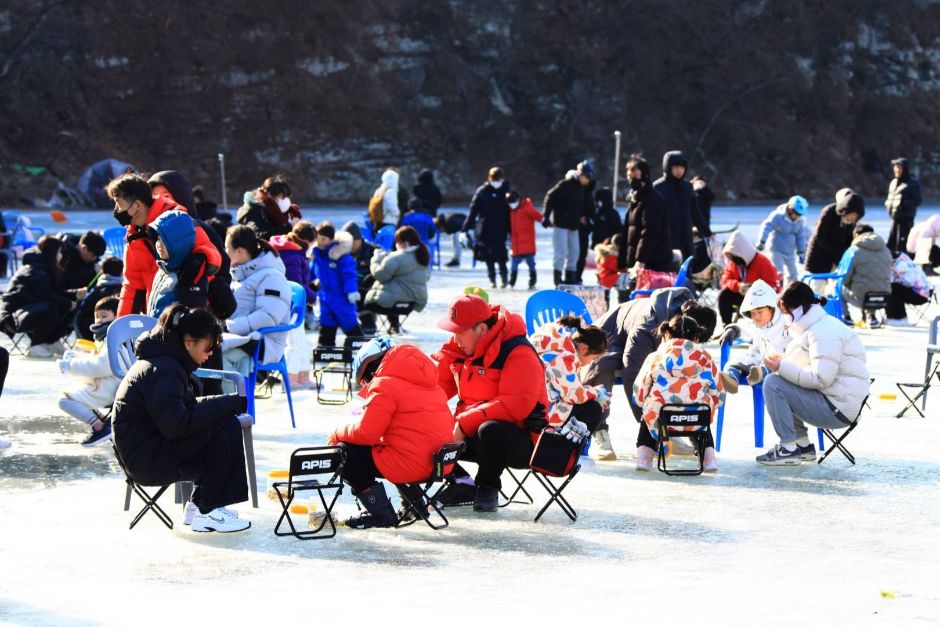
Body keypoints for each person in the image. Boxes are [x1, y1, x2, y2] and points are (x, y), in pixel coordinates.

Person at [112, 304, 251, 532]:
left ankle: (200, 505)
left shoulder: (166, 362)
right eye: (209, 347)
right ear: (189, 343)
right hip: (147, 461)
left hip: (150, 449)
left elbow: (181, 410)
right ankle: (207, 510)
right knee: (225, 428)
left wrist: (228, 403)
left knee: (223, 421)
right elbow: (177, 425)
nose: (210, 354)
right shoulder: (164, 370)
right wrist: (227, 404)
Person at [431, 294, 548, 512]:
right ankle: (462, 482)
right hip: (471, 433)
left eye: (460, 332)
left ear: (482, 329)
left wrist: (465, 423)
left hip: (523, 442)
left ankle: (487, 487)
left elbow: (515, 406)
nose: (455, 339)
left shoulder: (518, 352)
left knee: (491, 430)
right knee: (425, 426)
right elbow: (433, 391)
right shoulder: (458, 350)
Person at [328, 338, 455, 528]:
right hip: (440, 463)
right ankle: (416, 506)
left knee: (343, 453)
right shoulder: (429, 383)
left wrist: (338, 432)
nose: (366, 386)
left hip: (413, 464)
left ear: (371, 369)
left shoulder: (384, 384)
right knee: (394, 447)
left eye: (364, 381)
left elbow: (366, 434)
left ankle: (381, 515)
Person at [581, 288, 717, 462]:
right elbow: (634, 376)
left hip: (635, 341)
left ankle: (669, 430)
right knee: (601, 367)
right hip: (608, 339)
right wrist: (651, 425)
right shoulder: (647, 328)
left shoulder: (686, 320)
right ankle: (599, 430)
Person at [757, 282, 869, 465]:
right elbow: (815, 364)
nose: (785, 319)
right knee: (783, 380)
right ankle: (802, 445)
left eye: (786, 313)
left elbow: (820, 378)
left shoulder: (822, 332)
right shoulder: (818, 327)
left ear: (798, 309)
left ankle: (788, 449)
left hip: (837, 408)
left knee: (773, 383)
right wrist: (784, 360)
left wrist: (780, 367)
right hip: (837, 401)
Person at [107, 173, 223, 318]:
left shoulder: (176, 219)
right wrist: (122, 326)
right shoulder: (134, 236)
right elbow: (132, 286)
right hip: (158, 314)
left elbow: (213, 256)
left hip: (192, 311)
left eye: (118, 203)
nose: (116, 210)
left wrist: (199, 257)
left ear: (136, 205)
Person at [635, 314, 723, 472]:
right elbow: (718, 389)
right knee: (702, 421)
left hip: (662, 419)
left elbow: (640, 390)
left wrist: (642, 402)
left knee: (648, 416)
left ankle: (644, 459)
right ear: (696, 338)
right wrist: (714, 405)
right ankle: (709, 460)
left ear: (666, 334)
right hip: (696, 418)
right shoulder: (705, 357)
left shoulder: (655, 357)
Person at [222, 225, 292, 378]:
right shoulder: (241, 274)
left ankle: (232, 401)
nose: (224, 252)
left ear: (240, 250)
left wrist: (229, 327)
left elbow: (267, 317)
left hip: (265, 343)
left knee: (217, 358)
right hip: (243, 336)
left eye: (227, 247)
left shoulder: (271, 276)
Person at [56, 296, 120, 446]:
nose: (99, 320)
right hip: (109, 385)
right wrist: (76, 357)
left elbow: (102, 366)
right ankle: (103, 421)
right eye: (97, 316)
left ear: (117, 316)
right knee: (73, 392)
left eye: (104, 316)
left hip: (110, 388)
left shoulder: (111, 338)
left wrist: (71, 366)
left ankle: (100, 427)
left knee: (64, 399)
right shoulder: (109, 337)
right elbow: (98, 360)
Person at [530, 316, 609, 432]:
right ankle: (565, 448)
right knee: (593, 409)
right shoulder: (564, 358)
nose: (589, 364)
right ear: (584, 349)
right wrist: (596, 393)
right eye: (593, 359)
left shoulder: (554, 346)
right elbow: (574, 395)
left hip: (530, 403)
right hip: (542, 412)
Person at [0, 236, 74, 358]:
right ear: (52, 252)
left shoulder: (45, 268)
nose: (61, 256)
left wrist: (74, 294)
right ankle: (36, 345)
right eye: (59, 252)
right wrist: (68, 302)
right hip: (11, 317)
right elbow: (45, 294)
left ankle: (51, 341)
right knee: (52, 307)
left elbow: (54, 292)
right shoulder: (36, 270)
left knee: (67, 304)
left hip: (25, 312)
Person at [718, 279, 789, 394]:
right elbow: (744, 326)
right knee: (735, 362)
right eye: (752, 313)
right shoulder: (755, 322)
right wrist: (733, 329)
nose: (756, 317)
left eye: (760, 312)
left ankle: (760, 374)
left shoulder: (785, 320)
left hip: (778, 359)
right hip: (757, 355)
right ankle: (731, 378)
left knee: (772, 366)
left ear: (772, 308)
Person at [270, 221, 318, 388]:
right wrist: (313, 296)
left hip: (297, 305)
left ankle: (303, 376)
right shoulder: (292, 255)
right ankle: (290, 379)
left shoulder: (295, 252)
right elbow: (295, 284)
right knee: (294, 343)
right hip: (288, 306)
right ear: (308, 240)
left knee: (302, 342)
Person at [617, 155, 673, 290]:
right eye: (629, 173)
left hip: (652, 264)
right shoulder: (635, 198)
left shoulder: (653, 199)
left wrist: (640, 261)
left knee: (647, 305)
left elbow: (650, 232)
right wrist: (624, 262)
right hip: (637, 264)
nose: (630, 177)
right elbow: (629, 231)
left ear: (644, 175)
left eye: (634, 173)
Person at [363, 225, 430, 334]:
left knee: (370, 291)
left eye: (397, 242)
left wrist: (376, 259)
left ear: (404, 243)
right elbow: (427, 277)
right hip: (414, 301)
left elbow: (380, 275)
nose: (395, 245)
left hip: (392, 303)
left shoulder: (396, 257)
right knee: (393, 289)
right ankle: (394, 325)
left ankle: (368, 325)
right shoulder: (422, 256)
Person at [146, 210, 210, 317]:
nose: (158, 244)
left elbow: (191, 319)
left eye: (164, 241)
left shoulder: (189, 275)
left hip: (171, 332)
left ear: (179, 244)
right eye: (157, 238)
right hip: (155, 329)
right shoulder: (163, 269)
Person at [312, 222, 364, 349]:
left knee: (348, 321)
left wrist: (351, 290)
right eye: (318, 239)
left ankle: (358, 345)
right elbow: (312, 271)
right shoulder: (318, 255)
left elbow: (349, 274)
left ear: (331, 240)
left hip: (341, 297)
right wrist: (309, 283)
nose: (320, 242)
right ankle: (325, 349)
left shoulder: (341, 256)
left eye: (323, 239)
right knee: (326, 323)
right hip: (325, 297)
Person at [543, 160, 594, 286]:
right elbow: (550, 196)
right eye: (587, 176)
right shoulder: (565, 185)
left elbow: (578, 205)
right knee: (561, 252)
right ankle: (557, 276)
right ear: (581, 174)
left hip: (573, 225)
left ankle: (570, 275)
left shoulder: (582, 188)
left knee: (575, 252)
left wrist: (581, 216)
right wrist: (546, 215)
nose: (588, 180)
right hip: (561, 224)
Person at [653, 151, 711, 260]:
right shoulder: (658, 188)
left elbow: (695, 214)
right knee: (669, 275)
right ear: (668, 167)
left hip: (686, 241)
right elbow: (652, 218)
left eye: (682, 167)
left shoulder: (688, 187)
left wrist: (707, 232)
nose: (679, 170)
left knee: (686, 273)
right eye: (675, 167)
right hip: (666, 242)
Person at [804, 189, 864, 293]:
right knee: (817, 289)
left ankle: (830, 308)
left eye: (856, 216)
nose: (853, 218)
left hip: (836, 259)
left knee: (834, 290)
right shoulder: (829, 212)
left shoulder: (853, 222)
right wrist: (837, 254)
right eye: (852, 214)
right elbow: (820, 237)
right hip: (819, 256)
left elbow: (849, 241)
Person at [718, 230, 781, 324]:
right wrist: (738, 286)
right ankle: (727, 325)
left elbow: (773, 285)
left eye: (736, 257)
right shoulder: (733, 263)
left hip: (759, 299)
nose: (734, 260)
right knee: (724, 295)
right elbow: (725, 280)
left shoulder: (763, 262)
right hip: (741, 295)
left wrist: (754, 289)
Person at [464, 166, 511, 288]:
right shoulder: (483, 191)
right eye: (494, 179)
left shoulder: (506, 191)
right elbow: (473, 209)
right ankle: (492, 279)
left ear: (502, 179)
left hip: (502, 227)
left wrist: (513, 229)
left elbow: (513, 210)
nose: (496, 181)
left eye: (498, 179)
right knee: (488, 255)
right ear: (489, 178)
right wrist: (466, 227)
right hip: (486, 228)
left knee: (501, 254)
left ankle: (504, 278)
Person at [842, 224, 892, 327]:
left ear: (856, 235)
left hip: (861, 298)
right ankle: (871, 317)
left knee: (838, 287)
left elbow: (845, 278)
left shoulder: (854, 251)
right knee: (873, 283)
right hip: (883, 297)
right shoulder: (886, 250)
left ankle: (847, 318)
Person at [755, 195, 808, 283]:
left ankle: (790, 292)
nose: (798, 217)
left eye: (800, 215)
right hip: (776, 249)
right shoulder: (778, 216)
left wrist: (801, 252)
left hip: (790, 251)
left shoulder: (800, 221)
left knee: (793, 274)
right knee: (777, 273)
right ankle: (776, 290)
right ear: (791, 210)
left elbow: (800, 237)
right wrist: (762, 241)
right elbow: (767, 226)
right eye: (797, 214)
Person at [236, 175, 301, 240]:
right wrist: (289, 228)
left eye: (287, 197)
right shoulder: (254, 209)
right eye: (282, 197)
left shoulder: (282, 212)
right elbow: (258, 236)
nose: (285, 200)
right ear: (269, 195)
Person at [74, 256, 123, 341]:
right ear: (122, 272)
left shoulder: (96, 289)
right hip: (99, 333)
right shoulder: (121, 291)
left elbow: (81, 314)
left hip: (85, 330)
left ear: (102, 271)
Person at [341, 221, 377, 335]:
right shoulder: (341, 251)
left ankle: (368, 322)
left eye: (352, 242)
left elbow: (382, 270)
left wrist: (372, 277)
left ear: (359, 239)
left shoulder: (372, 250)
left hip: (367, 287)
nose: (350, 245)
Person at [885, 157, 922, 256]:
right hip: (895, 219)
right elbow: (890, 198)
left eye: (899, 168)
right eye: (895, 168)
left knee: (904, 246)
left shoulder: (912, 183)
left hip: (906, 220)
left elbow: (918, 200)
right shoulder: (893, 183)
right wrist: (888, 205)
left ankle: (906, 267)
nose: (897, 170)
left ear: (905, 169)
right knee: (890, 245)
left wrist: (902, 203)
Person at [506, 190, 542, 289]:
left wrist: (545, 221)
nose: (512, 204)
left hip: (527, 244)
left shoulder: (526, 208)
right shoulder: (510, 211)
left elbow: (537, 215)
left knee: (531, 263)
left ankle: (532, 279)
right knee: (514, 264)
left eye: (513, 201)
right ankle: (512, 281)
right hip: (516, 245)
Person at [594, 234, 622, 304]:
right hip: (606, 279)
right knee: (625, 279)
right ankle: (623, 300)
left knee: (606, 298)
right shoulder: (610, 256)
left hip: (604, 278)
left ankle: (620, 300)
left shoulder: (605, 254)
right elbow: (618, 268)